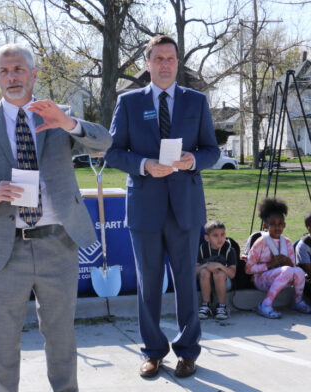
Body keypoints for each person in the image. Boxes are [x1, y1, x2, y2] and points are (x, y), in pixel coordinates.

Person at [0, 43, 112, 392]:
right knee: (3, 343)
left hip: (58, 243)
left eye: (18, 69)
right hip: (3, 250)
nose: (11, 77)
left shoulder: (58, 115)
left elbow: (105, 143)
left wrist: (68, 122)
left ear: (33, 74)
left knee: (61, 339)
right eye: (4, 71)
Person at [105, 35, 219, 379]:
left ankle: (187, 352)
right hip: (145, 208)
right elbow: (112, 151)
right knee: (149, 283)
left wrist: (192, 161)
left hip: (184, 208)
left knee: (186, 282)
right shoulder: (128, 103)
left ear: (177, 62)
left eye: (170, 58)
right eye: (159, 59)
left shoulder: (196, 102)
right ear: (148, 62)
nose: (165, 64)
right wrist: (143, 165)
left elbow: (212, 151)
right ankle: (153, 352)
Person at [245, 197, 311, 319]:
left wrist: (288, 262)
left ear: (284, 225)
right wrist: (269, 264)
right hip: (261, 280)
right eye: (273, 224)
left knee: (299, 271)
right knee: (287, 270)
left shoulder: (286, 242)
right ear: (266, 225)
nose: (277, 228)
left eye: (280, 224)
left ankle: (297, 302)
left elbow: (293, 269)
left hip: (282, 277)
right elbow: (248, 269)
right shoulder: (261, 242)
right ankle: (265, 305)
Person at [197, 219, 237, 321]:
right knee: (204, 271)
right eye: (215, 235)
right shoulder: (202, 249)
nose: (220, 238)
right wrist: (206, 265)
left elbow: (232, 274)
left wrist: (219, 266)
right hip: (206, 281)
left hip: (224, 282)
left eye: (222, 235)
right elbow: (194, 271)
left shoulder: (229, 250)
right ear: (207, 238)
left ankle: (222, 306)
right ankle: (206, 305)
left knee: (219, 273)